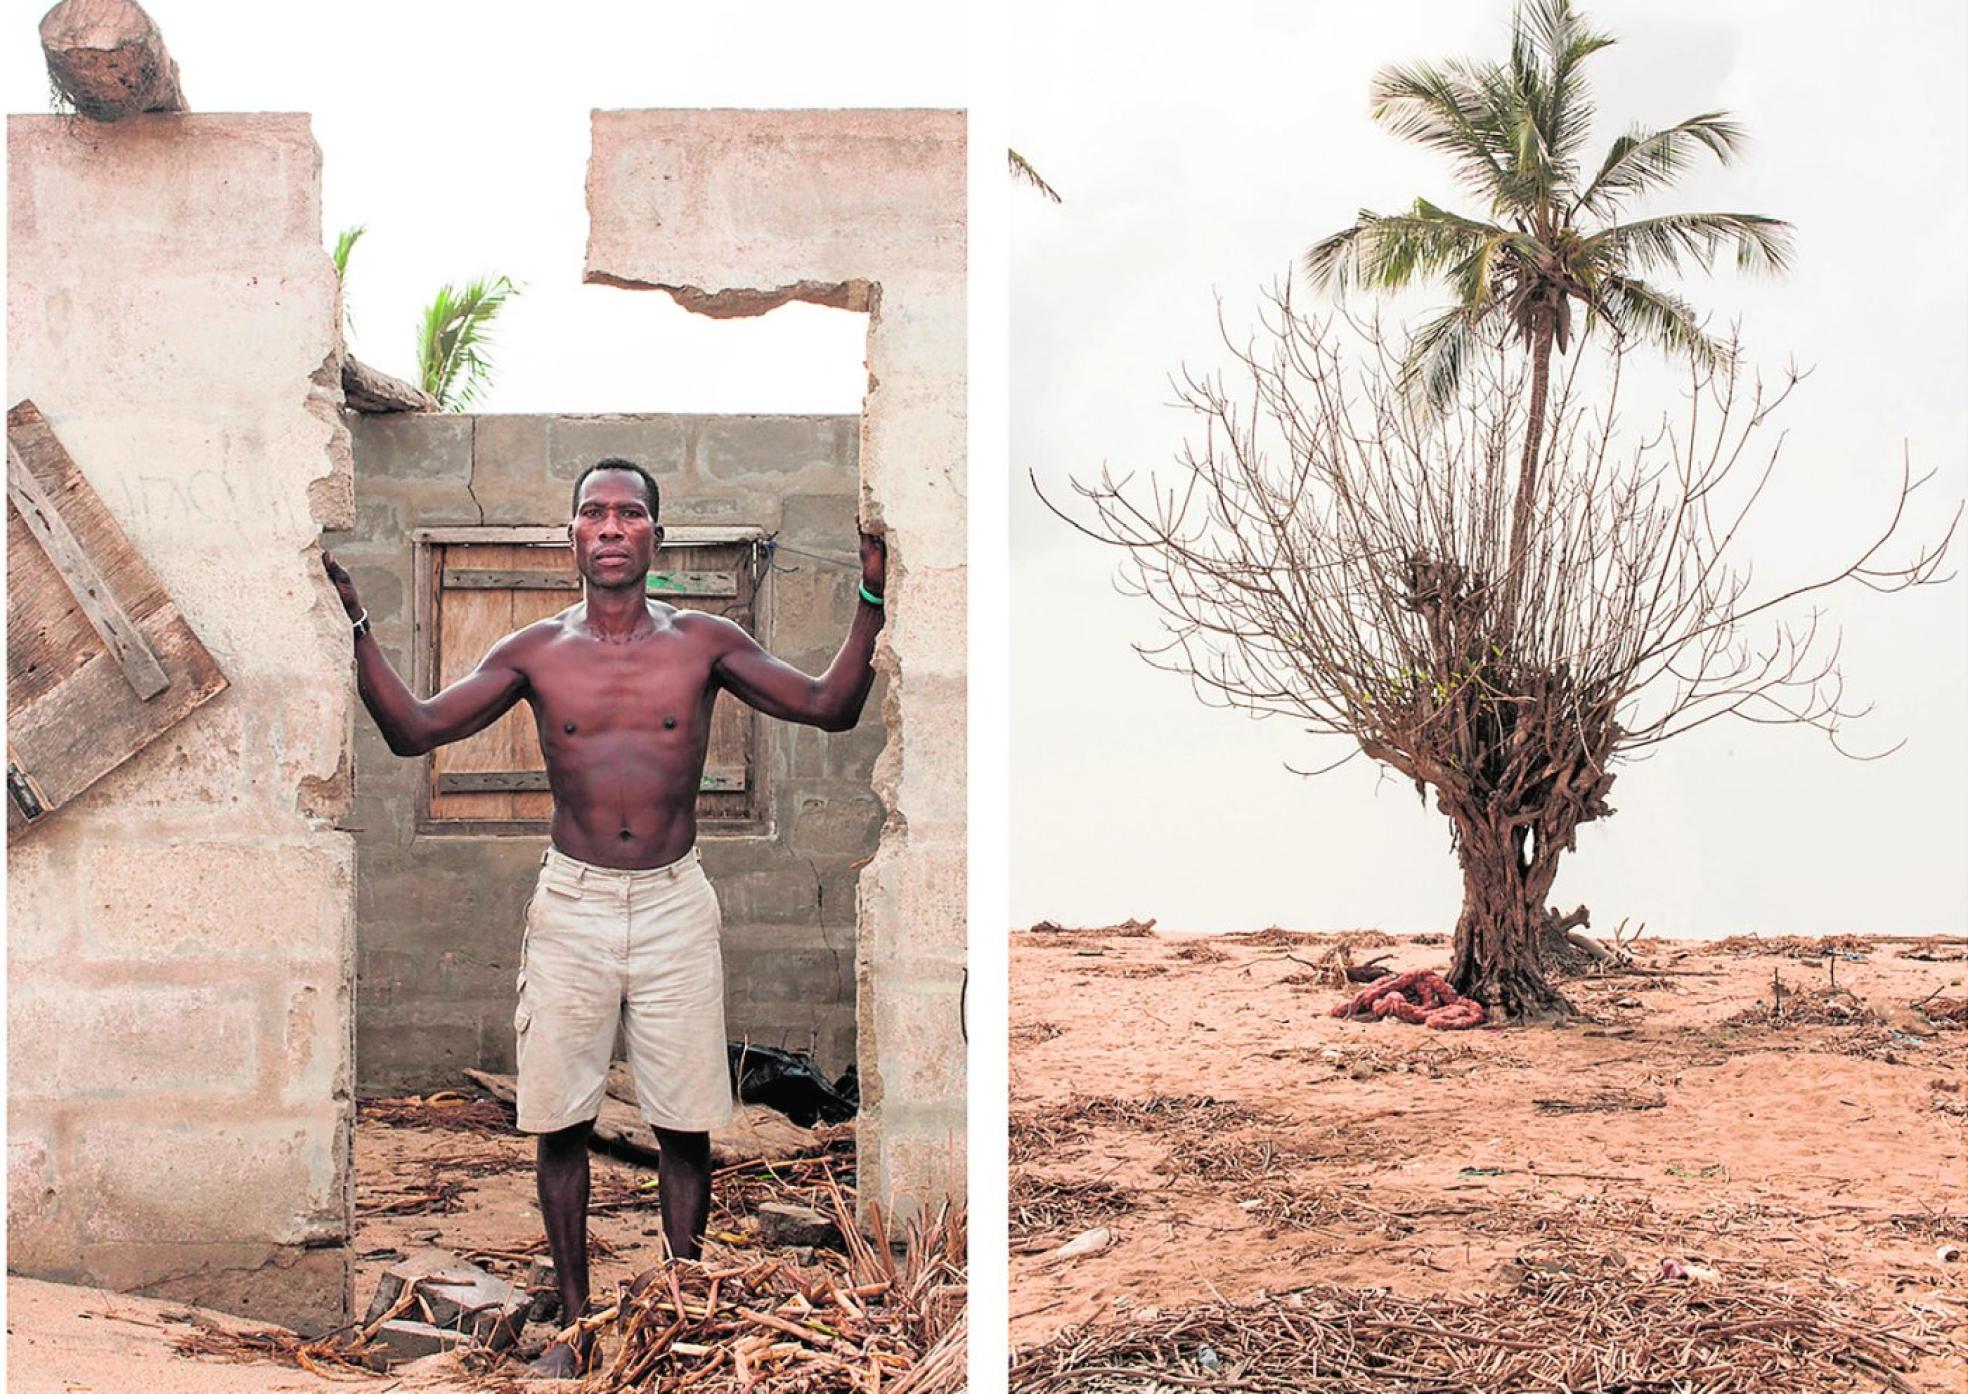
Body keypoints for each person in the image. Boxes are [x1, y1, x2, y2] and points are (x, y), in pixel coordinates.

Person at [323, 457, 884, 1376]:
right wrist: (355, 626)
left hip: (672, 902)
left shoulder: (703, 640)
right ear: (571, 535)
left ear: (656, 536)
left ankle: (679, 1313)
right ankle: (580, 1329)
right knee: (561, 1119)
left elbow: (830, 707)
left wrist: (871, 592)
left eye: (630, 513)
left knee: (685, 1123)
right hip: (575, 903)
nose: (613, 527)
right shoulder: (535, 651)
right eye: (595, 513)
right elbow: (414, 731)